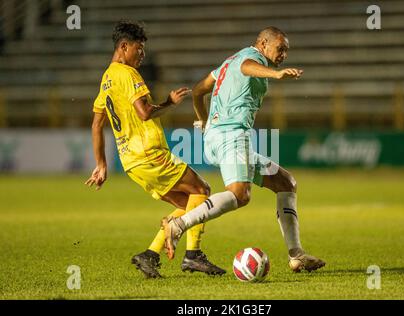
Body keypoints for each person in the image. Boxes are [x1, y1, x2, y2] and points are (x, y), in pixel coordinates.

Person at [162, 26, 325, 273]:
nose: (283, 55)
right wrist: (276, 74)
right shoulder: (248, 59)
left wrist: (203, 121)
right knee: (240, 194)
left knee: (285, 183)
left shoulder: (227, 63)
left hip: (219, 137)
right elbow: (246, 67)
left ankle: (296, 254)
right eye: (280, 49)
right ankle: (178, 224)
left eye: (286, 51)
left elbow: (198, 91)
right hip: (231, 136)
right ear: (263, 44)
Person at [85, 20, 225, 278]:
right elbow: (145, 112)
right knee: (202, 191)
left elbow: (96, 124)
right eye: (139, 48)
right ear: (124, 46)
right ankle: (193, 256)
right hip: (149, 154)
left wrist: (102, 164)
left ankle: (150, 255)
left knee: (189, 206)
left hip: (131, 163)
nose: (143, 54)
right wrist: (169, 103)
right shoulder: (127, 75)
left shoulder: (106, 79)